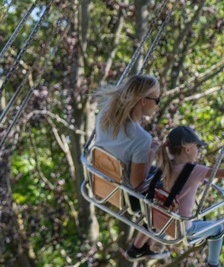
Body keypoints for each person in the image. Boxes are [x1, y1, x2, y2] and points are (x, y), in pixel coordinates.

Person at [88, 74, 164, 258]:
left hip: (103, 181)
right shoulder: (140, 139)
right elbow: (137, 183)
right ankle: (139, 246)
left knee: (163, 175)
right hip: (126, 193)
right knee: (172, 188)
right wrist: (151, 154)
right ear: (144, 101)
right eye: (157, 100)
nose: (158, 104)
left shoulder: (106, 114)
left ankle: (142, 245)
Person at [125, 125, 224, 264]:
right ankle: (213, 264)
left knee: (158, 211)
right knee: (219, 229)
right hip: (181, 229)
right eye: (197, 147)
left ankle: (136, 248)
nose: (199, 151)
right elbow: (219, 173)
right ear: (187, 149)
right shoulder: (195, 171)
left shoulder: (164, 165)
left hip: (159, 219)